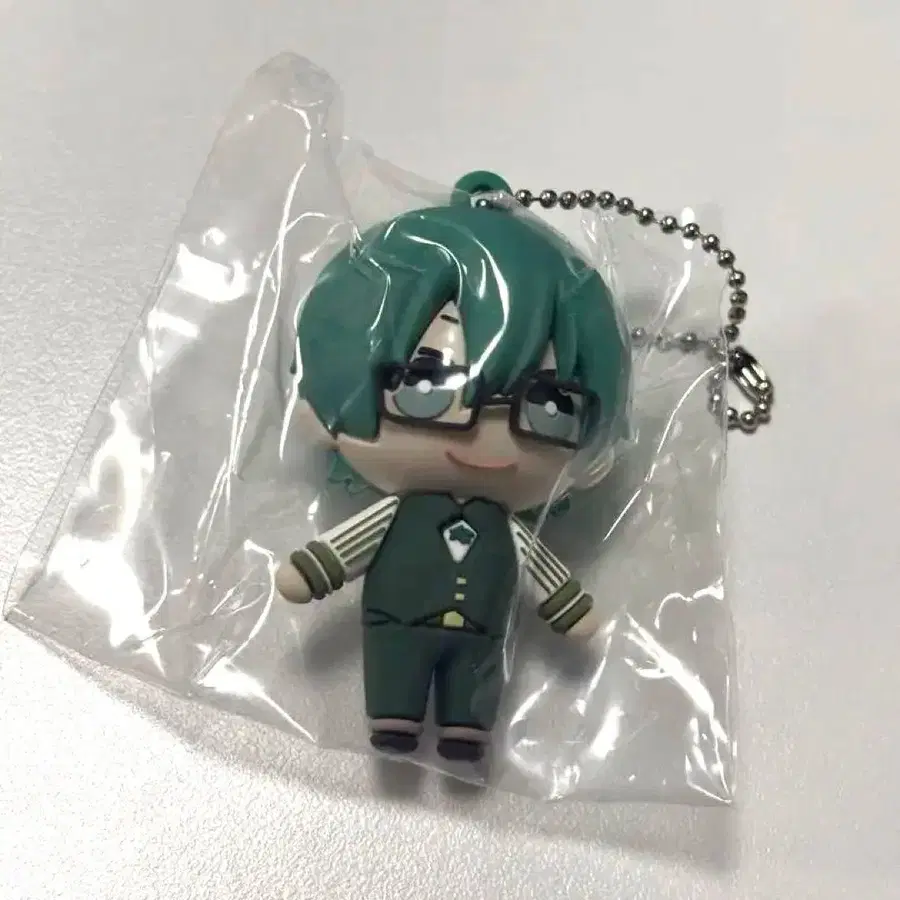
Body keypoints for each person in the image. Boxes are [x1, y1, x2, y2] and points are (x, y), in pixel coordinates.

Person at [275, 172, 632, 762]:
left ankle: (467, 725)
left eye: (548, 407)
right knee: (394, 681)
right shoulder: (398, 512)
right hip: (396, 625)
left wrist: (568, 607)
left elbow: (542, 569)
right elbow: (348, 547)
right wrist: (315, 571)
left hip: (481, 636)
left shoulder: (509, 528)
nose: (485, 431)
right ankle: (394, 717)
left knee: (472, 695)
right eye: (426, 387)